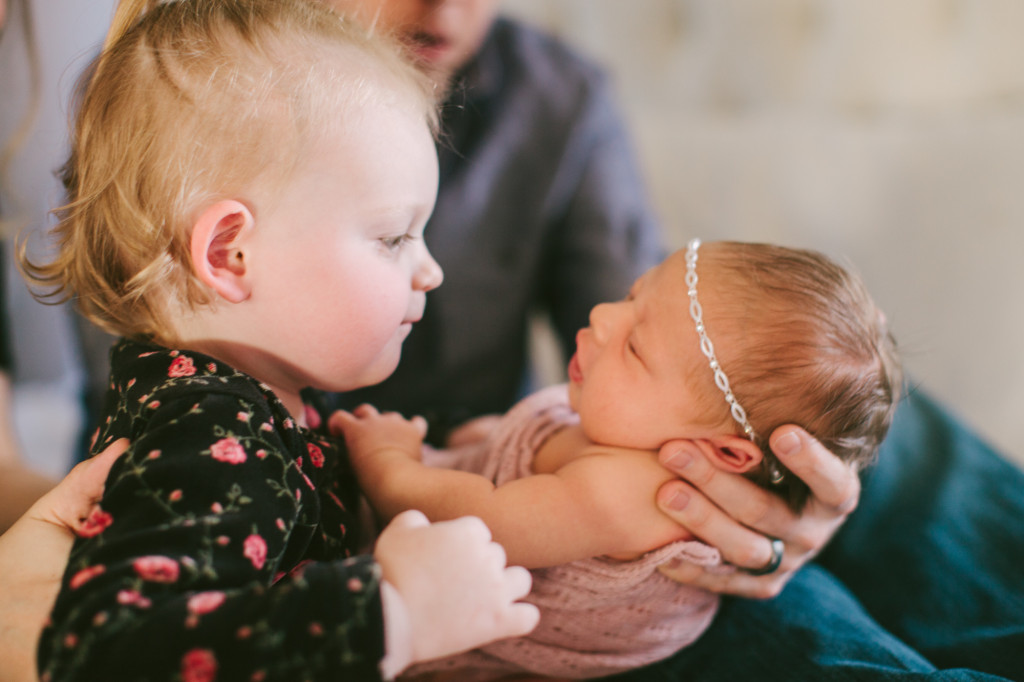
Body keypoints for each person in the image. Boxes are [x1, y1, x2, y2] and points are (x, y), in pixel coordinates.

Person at [17, 1, 539, 679]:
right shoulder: (206, 438)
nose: (430, 270)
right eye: (393, 238)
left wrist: (451, 454)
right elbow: (108, 652)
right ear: (232, 253)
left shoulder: (244, 401)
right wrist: (395, 611)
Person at [335, 239, 902, 680]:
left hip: (489, 642)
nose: (604, 316)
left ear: (724, 453)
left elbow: (482, 522)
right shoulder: (636, 423)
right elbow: (546, 440)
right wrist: (494, 437)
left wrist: (390, 466)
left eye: (636, 346)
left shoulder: (634, 496)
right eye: (633, 295)